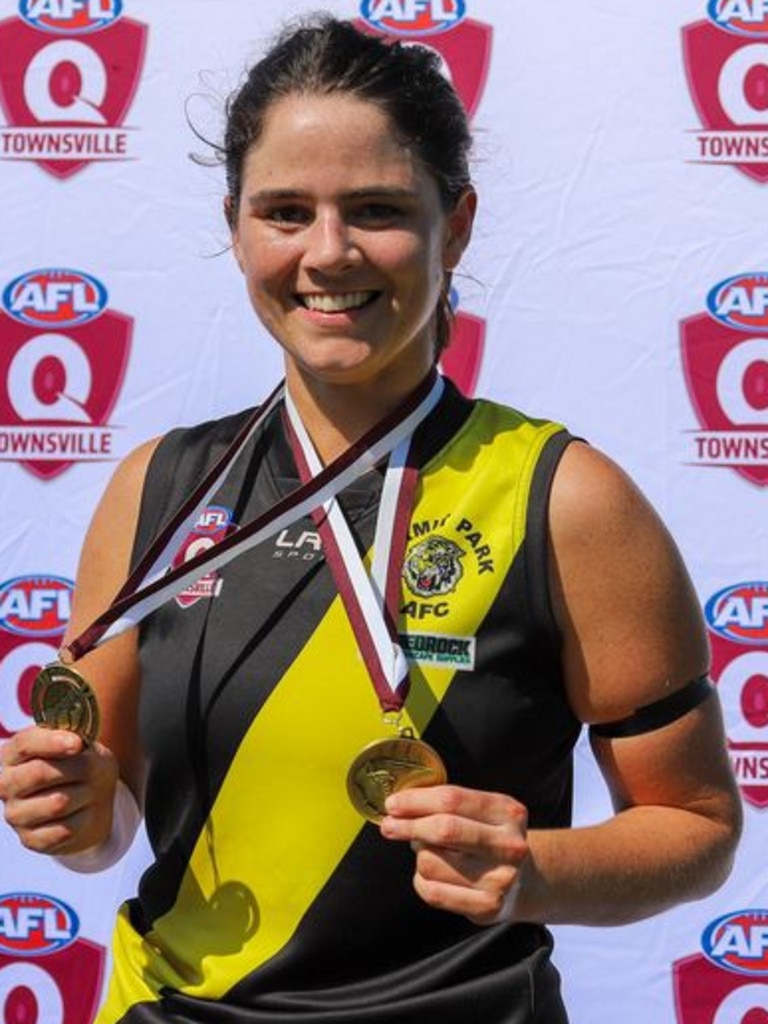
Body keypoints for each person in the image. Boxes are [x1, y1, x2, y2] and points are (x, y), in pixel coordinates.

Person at [0, 14, 741, 1024]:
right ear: (236, 225)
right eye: (286, 211)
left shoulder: (564, 498)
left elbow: (694, 824)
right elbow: (110, 824)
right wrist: (73, 811)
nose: (329, 252)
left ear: (459, 222)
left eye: (378, 208)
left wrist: (535, 870)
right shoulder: (157, 488)